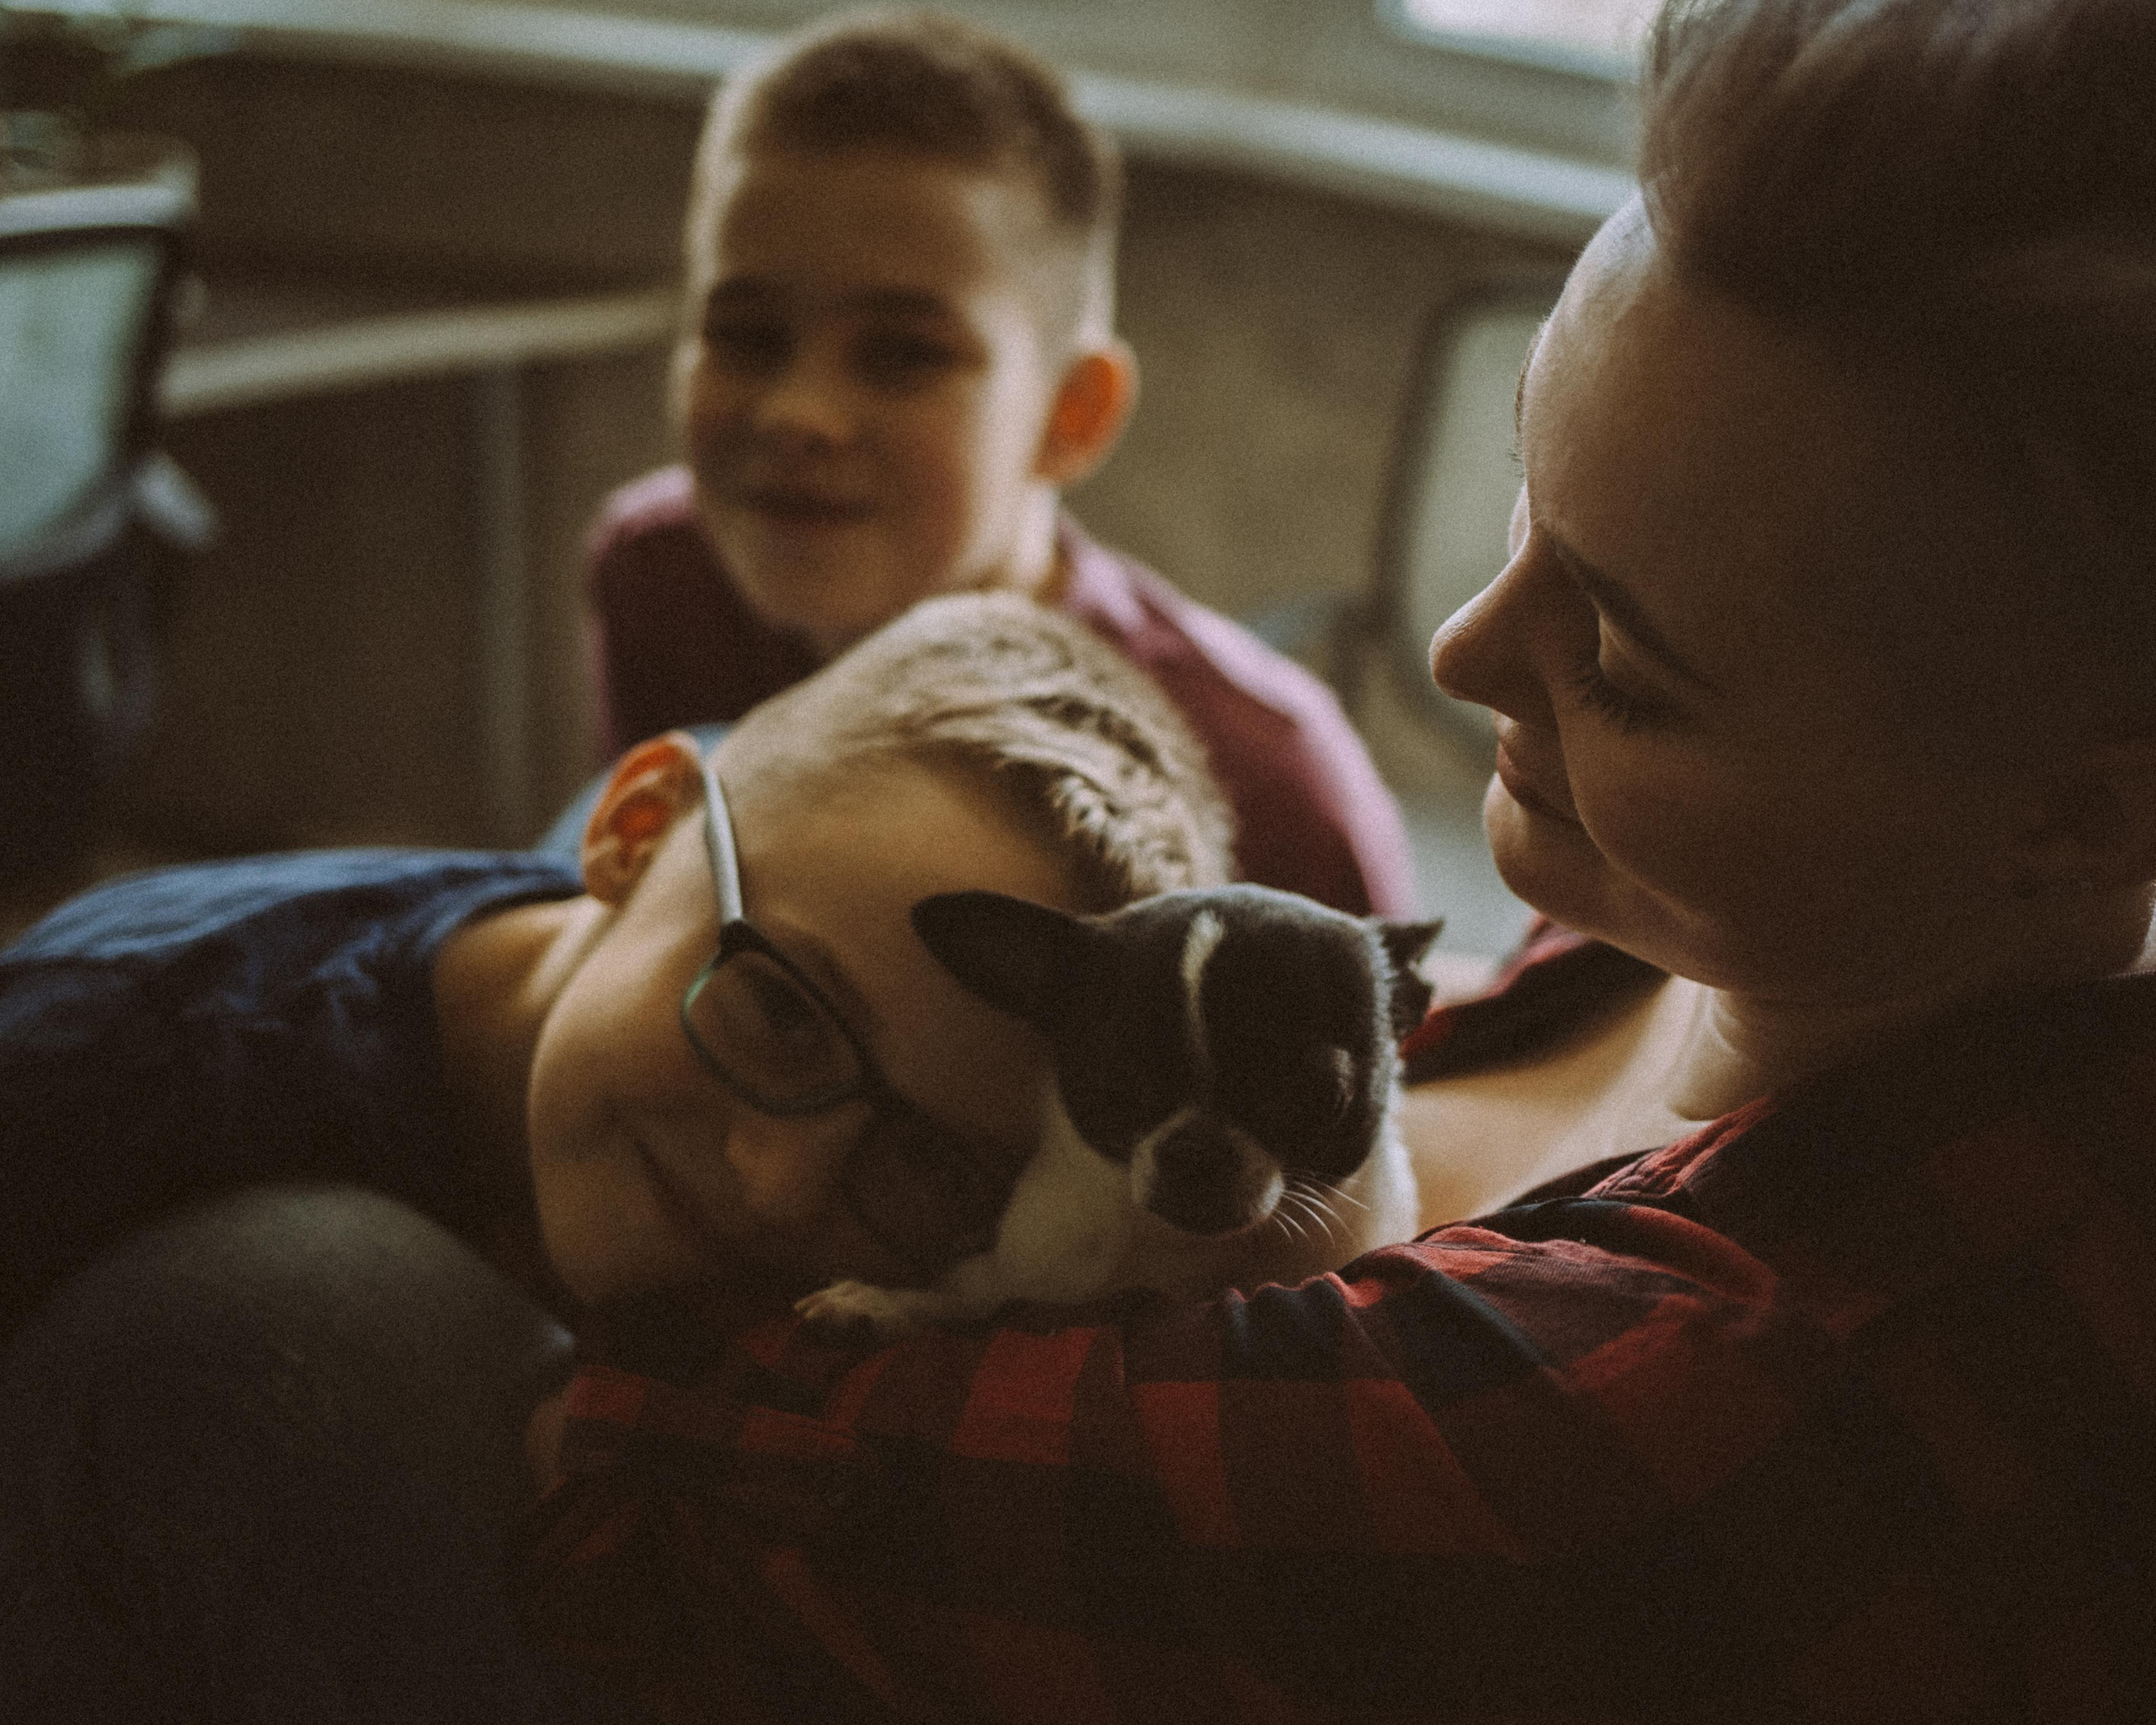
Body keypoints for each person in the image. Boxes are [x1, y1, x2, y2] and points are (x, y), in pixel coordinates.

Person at [516, 0, 2156, 1718]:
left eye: (1620, 662)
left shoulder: (1676, 1414)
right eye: (1526, 502)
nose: (1456, 650)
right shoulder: (1731, 927)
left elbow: (638, 1450)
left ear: (2079, 815)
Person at [0, 592, 1234, 1722]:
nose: (777, 1181)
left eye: (931, 1163)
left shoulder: (748, 895)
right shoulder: (107, 1075)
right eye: (785, 1013)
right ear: (634, 833)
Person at [583, 6, 1417, 918]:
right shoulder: (663, 575)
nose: (797, 413)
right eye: (745, 335)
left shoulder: (1267, 784)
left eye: (904, 354)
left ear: (1071, 413)